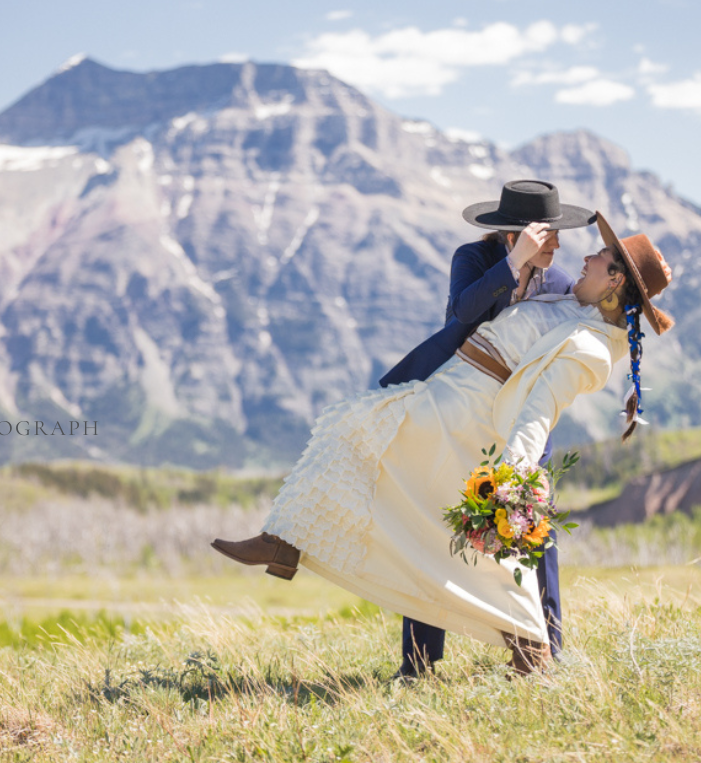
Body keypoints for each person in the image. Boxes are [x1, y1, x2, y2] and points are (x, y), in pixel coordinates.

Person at [213, 212, 674, 674]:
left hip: (466, 412)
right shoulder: (572, 303)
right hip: (451, 388)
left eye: (600, 256)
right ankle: (287, 542)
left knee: (356, 431)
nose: (586, 256)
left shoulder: (591, 348)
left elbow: (539, 409)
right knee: (394, 478)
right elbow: (470, 310)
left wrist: (513, 474)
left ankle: (532, 646)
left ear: (615, 280)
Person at [380, 180, 591, 677]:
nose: (558, 243)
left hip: (523, 418)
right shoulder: (473, 260)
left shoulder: (561, 283)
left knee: (534, 528)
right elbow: (463, 312)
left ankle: (547, 650)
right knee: (434, 526)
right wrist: (513, 265)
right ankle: (417, 663)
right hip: (457, 413)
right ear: (521, 234)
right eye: (549, 233)